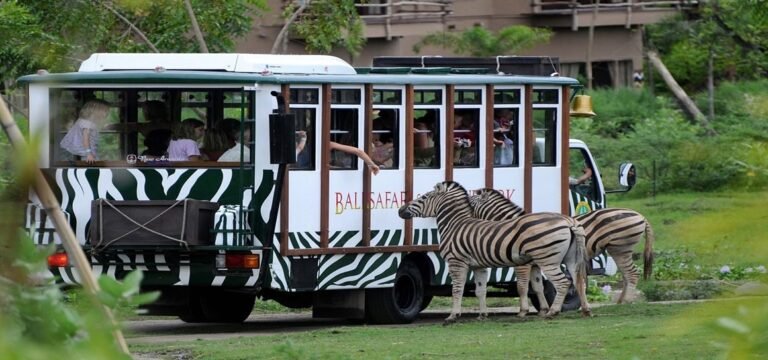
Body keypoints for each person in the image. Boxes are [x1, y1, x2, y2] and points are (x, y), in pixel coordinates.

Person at [60, 99, 110, 163]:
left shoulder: (87, 122)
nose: (107, 113)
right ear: (96, 111)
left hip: (82, 151)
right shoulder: (87, 123)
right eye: (105, 110)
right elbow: (85, 139)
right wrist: (89, 154)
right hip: (82, 152)